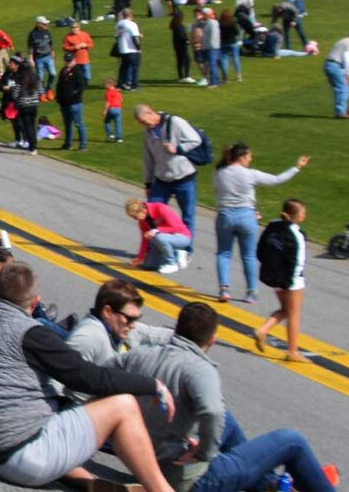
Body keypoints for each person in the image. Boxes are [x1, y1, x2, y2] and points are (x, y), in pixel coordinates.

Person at [0, 261, 217, 492]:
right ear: (35, 301)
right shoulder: (31, 335)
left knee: (90, 408)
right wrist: (151, 385)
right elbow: (88, 377)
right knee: (123, 405)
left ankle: (78, 476)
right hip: (19, 457)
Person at [135, 302, 349, 492]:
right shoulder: (200, 369)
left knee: (226, 420)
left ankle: (269, 484)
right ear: (213, 339)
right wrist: (204, 453)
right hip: (193, 482)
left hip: (150, 465)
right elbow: (212, 411)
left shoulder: (142, 356)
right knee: (292, 441)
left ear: (177, 329)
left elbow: (106, 382)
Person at [208, 144, 307, 303]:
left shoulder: (219, 173)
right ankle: (251, 292)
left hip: (225, 216)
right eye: (249, 156)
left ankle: (224, 290)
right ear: (241, 157)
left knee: (224, 253)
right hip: (247, 216)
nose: (251, 159)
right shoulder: (250, 174)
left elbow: (216, 191)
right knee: (248, 255)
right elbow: (277, 180)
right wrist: (297, 167)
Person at [251, 199, 315, 362]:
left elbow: (260, 248)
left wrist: (267, 264)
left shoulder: (273, 225)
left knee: (286, 310)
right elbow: (298, 260)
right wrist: (293, 281)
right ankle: (292, 351)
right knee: (294, 314)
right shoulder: (297, 234)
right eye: (303, 213)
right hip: (291, 279)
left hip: (274, 274)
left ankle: (263, 330)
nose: (304, 215)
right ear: (298, 217)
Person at [64, 277, 174, 368]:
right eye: (130, 319)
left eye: (136, 319)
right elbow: (59, 384)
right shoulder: (87, 339)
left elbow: (156, 335)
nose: (133, 325)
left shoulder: (122, 329)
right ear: (107, 312)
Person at [135, 103, 205, 231]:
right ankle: (153, 247)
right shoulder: (148, 133)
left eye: (145, 122)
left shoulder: (175, 122)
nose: (146, 125)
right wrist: (148, 183)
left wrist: (178, 149)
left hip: (184, 177)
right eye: (142, 124)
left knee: (187, 216)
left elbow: (195, 140)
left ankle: (185, 249)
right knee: (150, 212)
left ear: (151, 113)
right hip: (162, 180)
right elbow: (148, 159)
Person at [126, 197, 192, 274]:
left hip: (182, 237)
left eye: (135, 217)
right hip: (162, 241)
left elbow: (176, 227)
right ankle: (176, 255)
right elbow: (145, 240)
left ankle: (172, 263)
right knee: (149, 265)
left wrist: (157, 230)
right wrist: (140, 257)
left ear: (143, 211)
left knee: (158, 237)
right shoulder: (142, 221)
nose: (135, 219)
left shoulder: (160, 208)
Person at [325, 27, 349, 116]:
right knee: (343, 89)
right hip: (335, 66)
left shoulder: (344, 40)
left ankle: (342, 109)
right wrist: (347, 74)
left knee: (341, 88)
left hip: (329, 65)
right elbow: (348, 59)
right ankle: (341, 112)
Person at [112, 8, 143, 90]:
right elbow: (134, 37)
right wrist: (138, 48)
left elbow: (116, 36)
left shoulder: (118, 24)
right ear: (130, 15)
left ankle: (120, 84)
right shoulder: (132, 24)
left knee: (123, 67)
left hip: (122, 49)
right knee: (135, 68)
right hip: (132, 49)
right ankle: (134, 85)